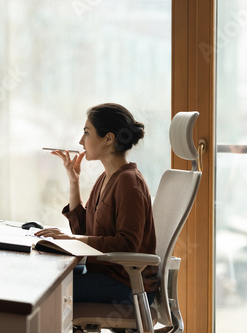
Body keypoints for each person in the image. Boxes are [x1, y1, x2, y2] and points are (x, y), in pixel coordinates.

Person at [35, 103, 159, 304]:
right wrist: (74, 181)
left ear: (108, 139)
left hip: (127, 284)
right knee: (45, 275)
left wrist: (71, 238)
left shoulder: (129, 182)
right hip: (105, 275)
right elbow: (84, 230)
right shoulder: (106, 178)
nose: (81, 141)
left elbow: (127, 245)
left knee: (45, 291)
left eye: (86, 133)